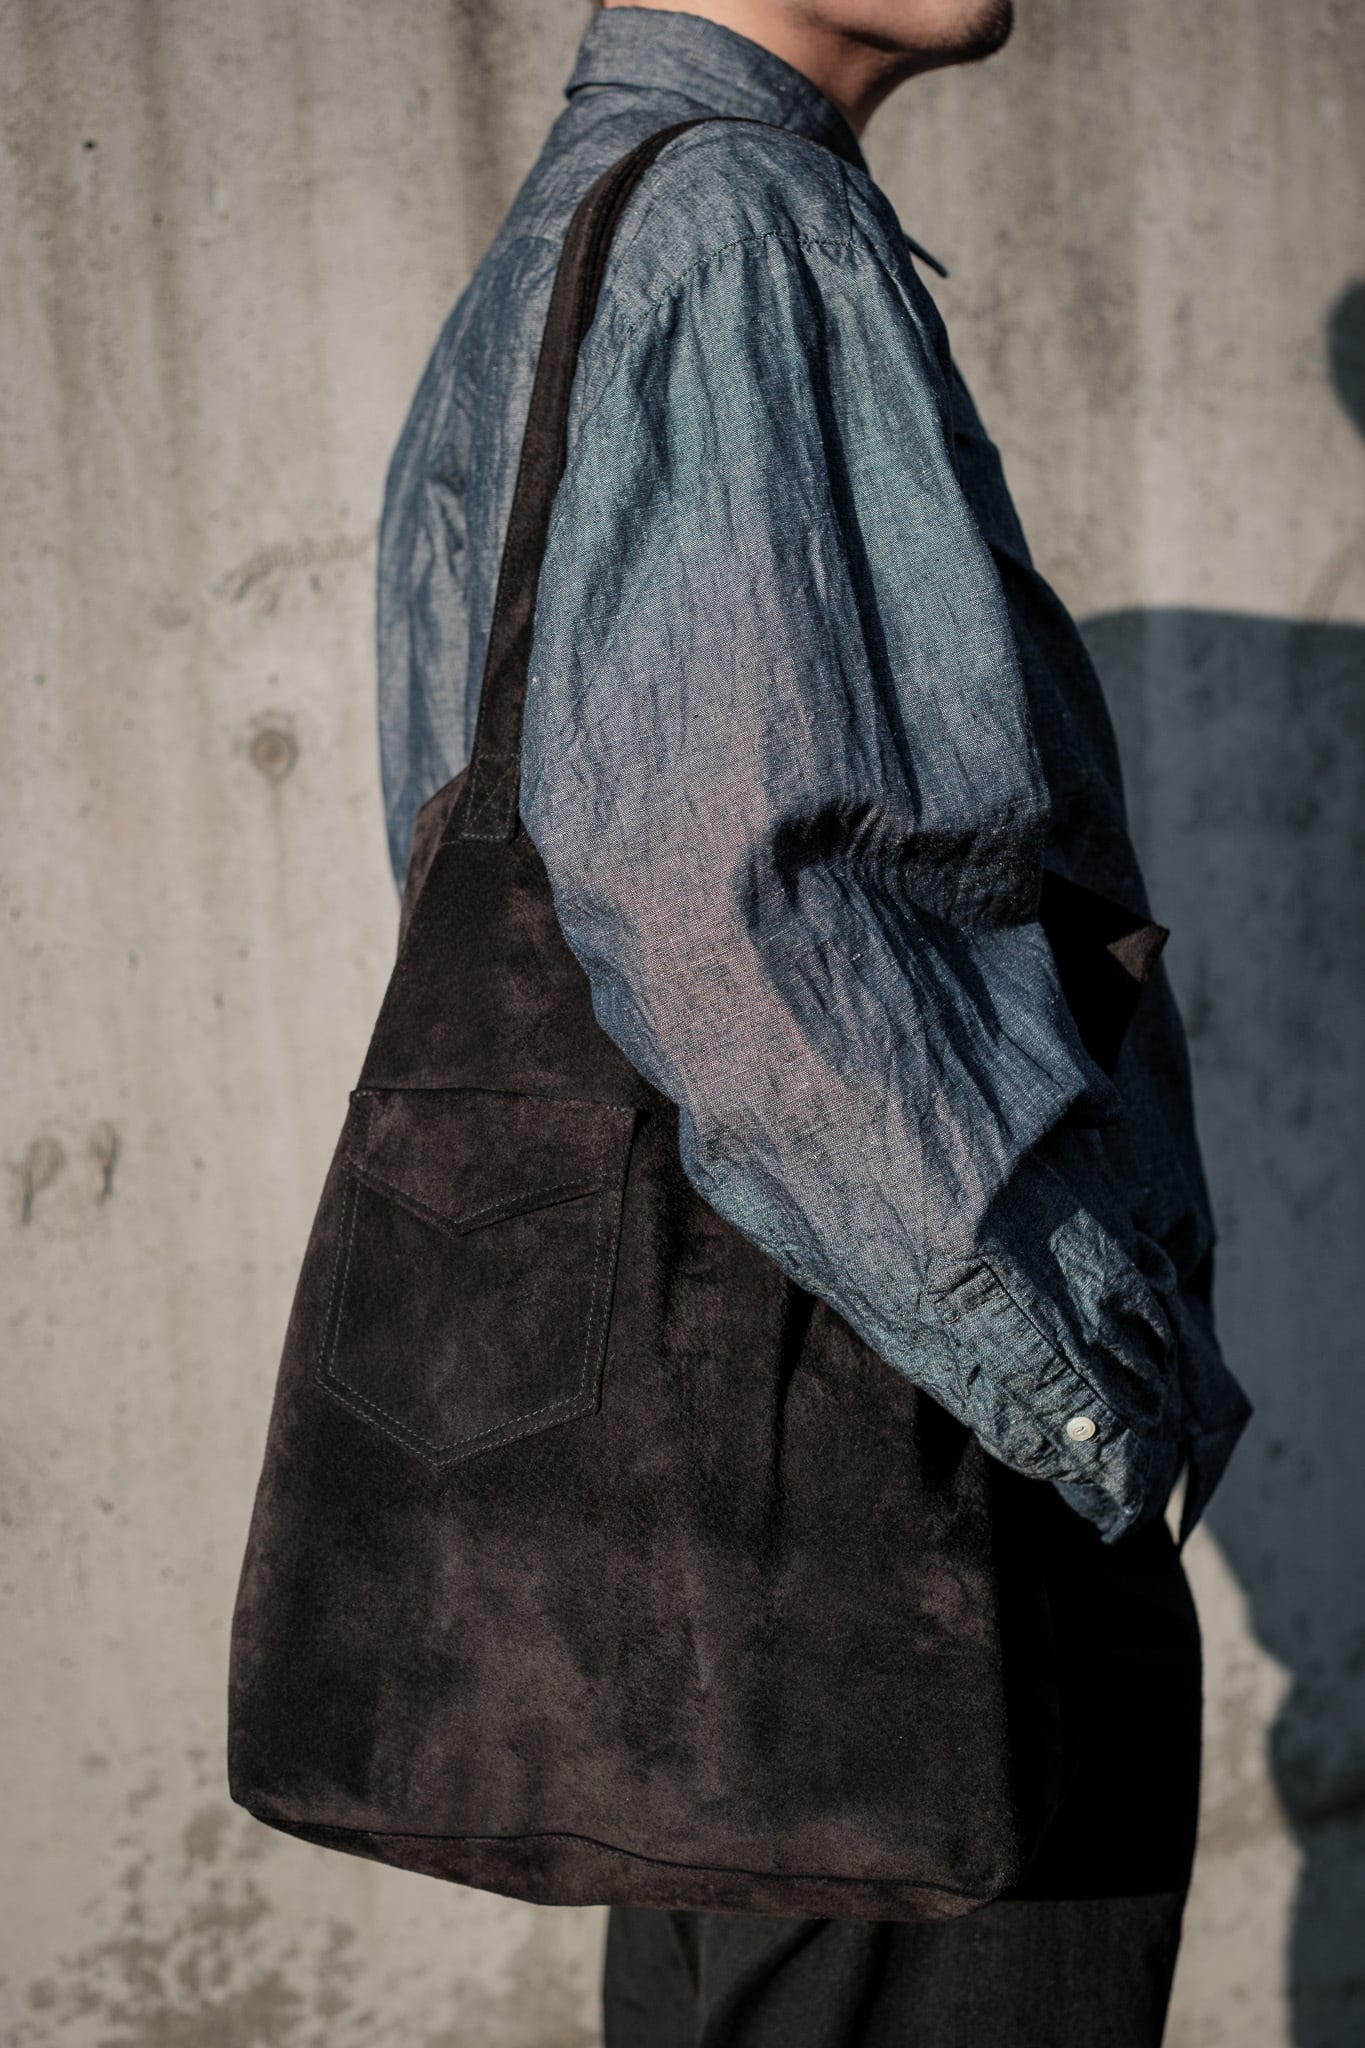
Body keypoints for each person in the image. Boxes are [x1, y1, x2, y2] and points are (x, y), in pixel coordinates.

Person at [375, 4, 1251, 2041]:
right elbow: (711, 907)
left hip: (732, 1469)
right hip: (894, 1468)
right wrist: (1065, 1398)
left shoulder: (586, 231)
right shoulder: (742, 225)